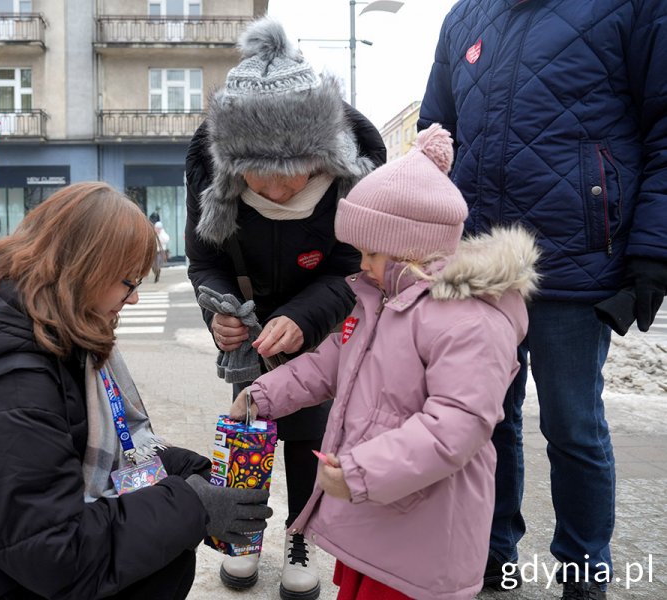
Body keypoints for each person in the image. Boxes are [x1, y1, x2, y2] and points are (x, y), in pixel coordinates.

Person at [0, 182, 273, 599]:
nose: (135, 299)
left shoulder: (38, 327)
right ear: (87, 271)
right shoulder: (10, 398)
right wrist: (190, 505)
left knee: (159, 548)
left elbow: (80, 452)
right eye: (128, 283)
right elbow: (59, 556)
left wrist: (187, 470)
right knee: (155, 561)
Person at [419, 3, 667, 598]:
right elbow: (437, 136)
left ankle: (584, 577)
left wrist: (652, 252)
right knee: (482, 423)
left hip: (575, 262)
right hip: (479, 269)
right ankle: (492, 560)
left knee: (574, 427)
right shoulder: (464, 18)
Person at [229, 125, 539, 600]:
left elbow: (454, 426)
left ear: (412, 247)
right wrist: (264, 394)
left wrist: (360, 473)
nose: (362, 264)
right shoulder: (384, 301)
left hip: (425, 529)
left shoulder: (470, 321)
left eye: (371, 252)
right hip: (380, 514)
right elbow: (332, 362)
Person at [185, 16, 386, 599]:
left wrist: (303, 320)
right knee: (247, 426)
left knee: (307, 434)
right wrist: (219, 314)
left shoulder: (352, 181)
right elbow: (206, 261)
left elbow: (351, 268)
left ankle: (301, 537)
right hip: (249, 331)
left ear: (319, 152)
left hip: (318, 323)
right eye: (257, 176)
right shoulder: (212, 175)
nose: (274, 190)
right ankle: (242, 535)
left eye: (290, 175)